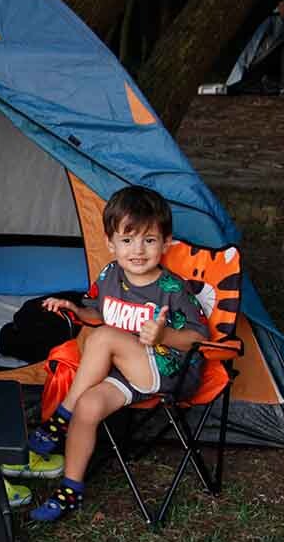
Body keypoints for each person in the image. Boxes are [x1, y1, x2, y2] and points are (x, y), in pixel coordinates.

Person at [24, 186, 209, 523]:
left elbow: (200, 337)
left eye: (149, 240)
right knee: (89, 405)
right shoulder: (110, 274)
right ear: (111, 243)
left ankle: (58, 420)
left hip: (168, 369)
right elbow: (100, 314)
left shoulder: (172, 288)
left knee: (105, 338)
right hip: (127, 371)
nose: (137, 250)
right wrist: (76, 311)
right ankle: (70, 489)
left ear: (166, 243)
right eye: (127, 240)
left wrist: (165, 334)